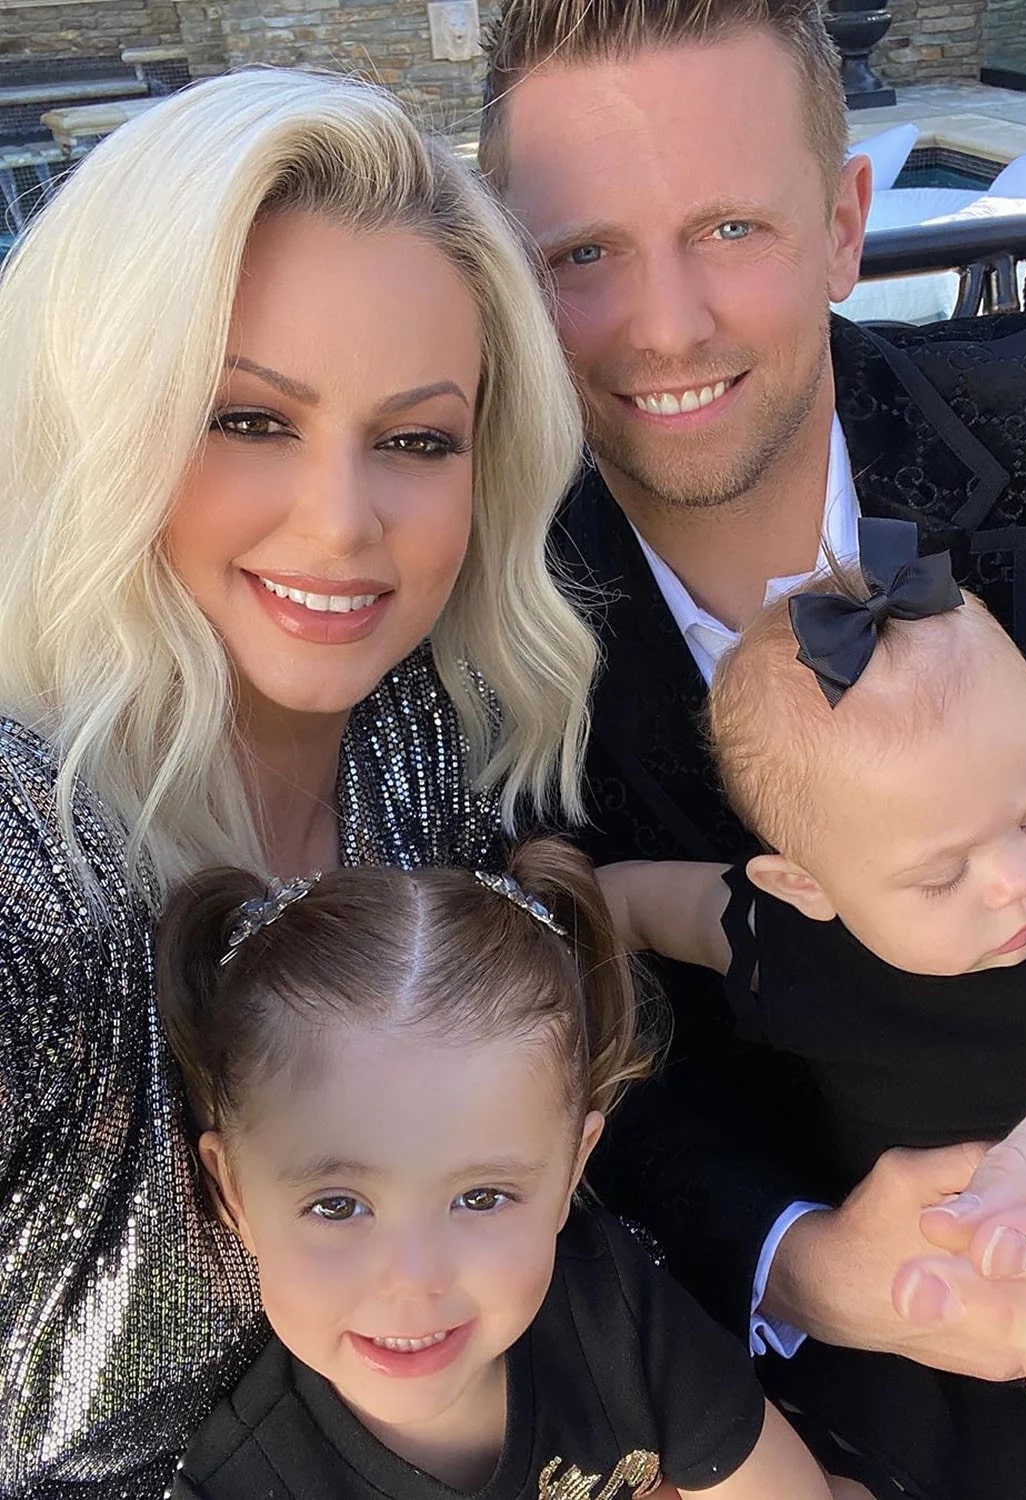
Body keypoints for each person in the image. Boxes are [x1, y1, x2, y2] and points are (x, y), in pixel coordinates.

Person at [478, 0, 1026, 1473]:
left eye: (731, 226)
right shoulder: (465, 640)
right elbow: (569, 1063)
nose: (664, 324)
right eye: (584, 254)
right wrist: (793, 1256)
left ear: (845, 226)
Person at [0, 68, 595, 1498]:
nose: (341, 526)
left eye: (414, 441)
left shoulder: (421, 751)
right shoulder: (30, 876)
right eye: (250, 420)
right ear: (100, 422)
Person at [598, 519, 1026, 1497]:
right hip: (909, 1303)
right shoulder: (781, 938)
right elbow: (616, 905)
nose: (1016, 878)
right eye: (940, 873)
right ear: (804, 884)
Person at [155, 843, 850, 1500]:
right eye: (338, 1205)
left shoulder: (612, 1311)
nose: (415, 1276)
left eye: (481, 1197)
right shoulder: (241, 1482)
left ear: (571, 1171)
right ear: (234, 1192)